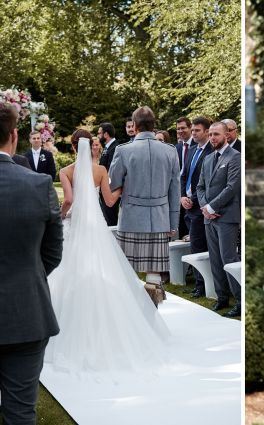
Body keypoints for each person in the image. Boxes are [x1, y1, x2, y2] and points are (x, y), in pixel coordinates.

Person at [46, 129, 169, 375]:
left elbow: (68, 200)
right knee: (105, 268)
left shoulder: (66, 171)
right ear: (91, 145)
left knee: (68, 270)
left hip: (75, 225)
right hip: (96, 227)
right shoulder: (100, 171)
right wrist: (122, 189)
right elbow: (110, 201)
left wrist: (59, 216)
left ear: (72, 147)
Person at [0, 102, 63, 425]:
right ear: (13, 136)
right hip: (26, 311)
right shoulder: (38, 185)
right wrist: (27, 275)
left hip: (26, 316)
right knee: (21, 411)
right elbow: (53, 253)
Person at [109, 106, 180, 291]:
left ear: (135, 125)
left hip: (131, 217)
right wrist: (173, 223)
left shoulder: (123, 150)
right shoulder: (170, 151)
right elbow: (175, 190)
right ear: (153, 124)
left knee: (127, 271)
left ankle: (131, 313)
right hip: (160, 218)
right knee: (154, 273)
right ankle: (152, 309)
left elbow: (112, 183)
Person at [198, 121, 241, 317]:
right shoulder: (207, 158)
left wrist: (212, 206)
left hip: (226, 217)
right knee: (215, 259)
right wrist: (205, 207)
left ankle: (240, 301)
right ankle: (221, 298)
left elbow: (232, 187)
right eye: (211, 134)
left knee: (229, 259)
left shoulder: (235, 157)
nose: (213, 138)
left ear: (226, 135)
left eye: (217, 134)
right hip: (209, 218)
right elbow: (200, 187)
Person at [181, 116, 213, 298]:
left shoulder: (210, 152)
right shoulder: (192, 150)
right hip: (188, 204)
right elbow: (183, 175)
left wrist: (194, 198)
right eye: (192, 130)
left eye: (196, 130)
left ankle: (203, 285)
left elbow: (209, 182)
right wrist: (182, 196)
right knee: (195, 246)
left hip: (201, 206)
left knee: (201, 246)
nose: (193, 133)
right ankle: (199, 282)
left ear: (207, 131)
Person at [97, 122, 120, 226]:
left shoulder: (115, 148)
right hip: (104, 188)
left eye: (99, 133)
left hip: (110, 189)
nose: (98, 136)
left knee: (111, 218)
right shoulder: (107, 148)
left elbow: (112, 170)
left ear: (106, 134)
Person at [175, 116, 194, 239]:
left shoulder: (199, 145)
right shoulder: (177, 148)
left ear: (190, 127)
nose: (180, 131)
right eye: (178, 129)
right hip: (180, 193)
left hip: (193, 194)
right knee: (182, 228)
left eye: (183, 128)